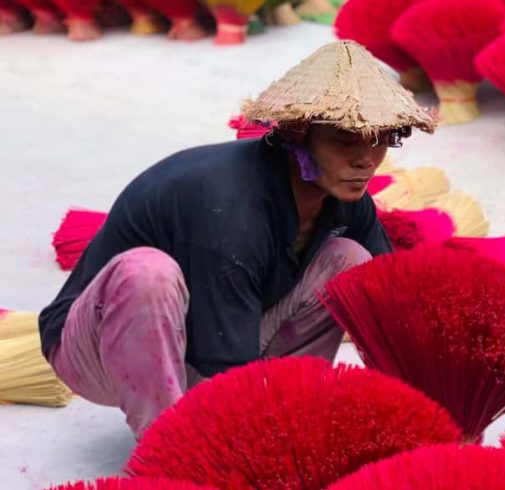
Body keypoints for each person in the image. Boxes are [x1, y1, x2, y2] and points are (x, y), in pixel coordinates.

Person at [38, 41, 437, 437]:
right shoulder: (234, 209)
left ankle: (294, 413)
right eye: (345, 141)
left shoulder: (345, 196)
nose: (366, 159)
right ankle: (166, 448)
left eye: (380, 139)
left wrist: (424, 409)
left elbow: (389, 301)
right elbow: (226, 374)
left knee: (349, 260)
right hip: (99, 347)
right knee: (147, 273)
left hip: (206, 338)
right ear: (299, 134)